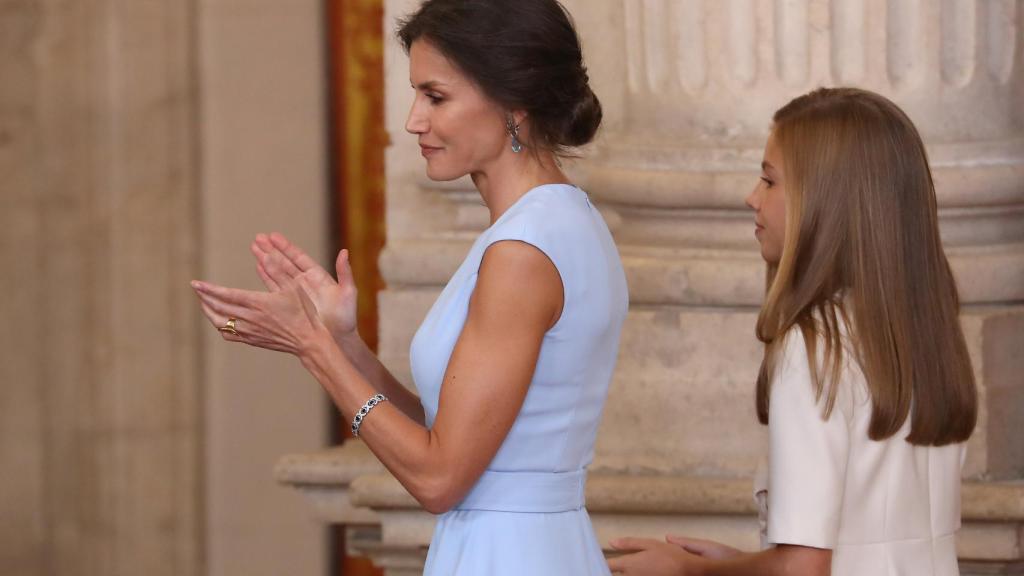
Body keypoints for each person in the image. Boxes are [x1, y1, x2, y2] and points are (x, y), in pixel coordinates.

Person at [190, 0, 627, 574]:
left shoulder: (522, 252)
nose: (413, 121)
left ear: (513, 104)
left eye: (435, 97)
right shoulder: (560, 222)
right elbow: (449, 434)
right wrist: (341, 343)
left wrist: (314, 351)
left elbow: (439, 479)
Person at [608, 87, 978, 576]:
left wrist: (694, 571)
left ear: (824, 200)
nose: (752, 197)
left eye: (769, 180)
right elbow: (868, 544)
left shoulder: (816, 343)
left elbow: (805, 567)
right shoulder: (922, 336)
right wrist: (744, 563)